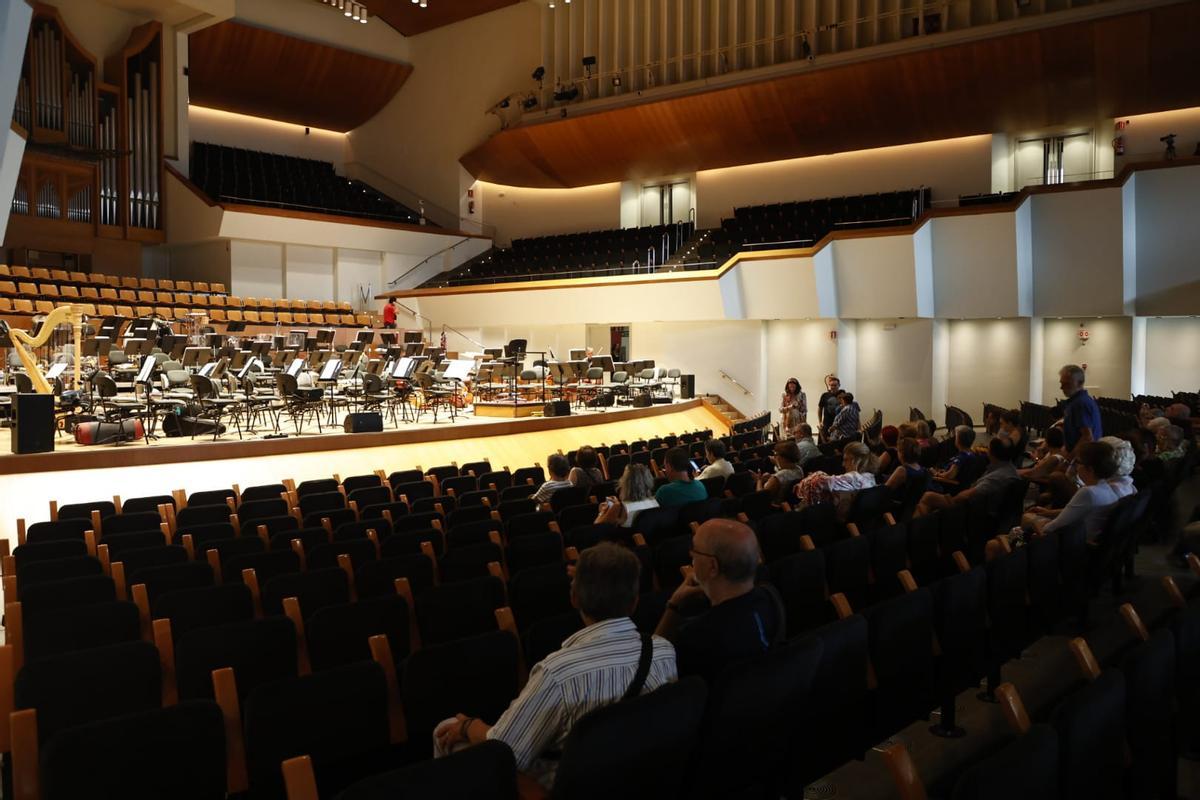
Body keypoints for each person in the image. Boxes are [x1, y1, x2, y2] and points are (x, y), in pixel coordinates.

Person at [434, 543, 677, 786]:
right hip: (643, 778)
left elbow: (505, 750)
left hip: (567, 786)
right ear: (634, 601)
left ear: (574, 598)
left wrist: (468, 726)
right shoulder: (664, 652)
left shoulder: (557, 673)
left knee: (445, 729)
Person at [654, 519, 783, 684]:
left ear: (712, 566)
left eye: (694, 551)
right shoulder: (771, 597)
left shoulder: (696, 637)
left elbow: (653, 669)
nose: (691, 556)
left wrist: (673, 604)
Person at [1022, 441, 1125, 541]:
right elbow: (1073, 512)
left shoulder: (1088, 492)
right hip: (1086, 538)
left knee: (1026, 519)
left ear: (1090, 469)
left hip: (1076, 542)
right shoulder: (1107, 488)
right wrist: (1047, 513)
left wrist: (1037, 528)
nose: (1076, 466)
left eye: (1078, 462)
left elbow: (1057, 524)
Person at [914, 436, 1020, 517]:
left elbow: (969, 495)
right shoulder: (1010, 469)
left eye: (988, 448)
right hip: (983, 506)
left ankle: (919, 530)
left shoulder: (994, 478)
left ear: (992, 453)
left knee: (927, 497)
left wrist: (952, 500)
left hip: (972, 510)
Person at [794, 441, 878, 518]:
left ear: (856, 460)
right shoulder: (870, 477)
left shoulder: (854, 477)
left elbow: (819, 481)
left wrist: (810, 478)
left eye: (846, 460)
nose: (843, 464)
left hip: (842, 520)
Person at [594, 463, 659, 528]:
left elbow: (597, 528)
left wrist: (603, 512)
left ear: (625, 483)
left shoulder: (622, 508)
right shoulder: (655, 503)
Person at [1057, 364, 1101, 453]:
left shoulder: (1080, 403)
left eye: (1066, 384)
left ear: (1080, 383)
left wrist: (1069, 459)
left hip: (1083, 456)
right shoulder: (1076, 401)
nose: (1061, 387)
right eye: (1061, 383)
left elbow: (1087, 437)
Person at [818, 375, 842, 440]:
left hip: (839, 424)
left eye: (835, 385)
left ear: (839, 385)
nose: (833, 387)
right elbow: (820, 408)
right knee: (825, 442)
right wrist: (820, 421)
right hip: (826, 423)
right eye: (831, 385)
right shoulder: (824, 395)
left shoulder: (843, 395)